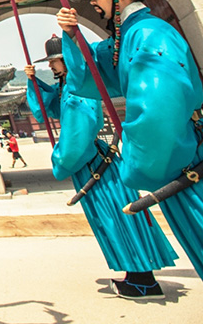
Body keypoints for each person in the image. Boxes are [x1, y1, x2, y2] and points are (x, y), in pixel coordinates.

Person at [57, 0, 203, 290]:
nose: (93, 2)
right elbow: (93, 73)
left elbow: (158, 106)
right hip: (181, 155)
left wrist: (140, 158)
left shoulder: (151, 33)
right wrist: (72, 35)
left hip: (184, 153)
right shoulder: (127, 37)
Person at [26, 36, 176, 298]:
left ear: (67, 59)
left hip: (91, 160)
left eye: (55, 61)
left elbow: (77, 132)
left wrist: (60, 160)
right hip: (93, 160)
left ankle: (143, 280)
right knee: (111, 216)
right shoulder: (69, 87)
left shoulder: (78, 91)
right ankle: (137, 274)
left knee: (114, 215)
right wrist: (33, 83)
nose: (51, 67)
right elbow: (49, 108)